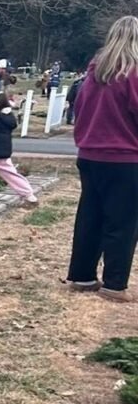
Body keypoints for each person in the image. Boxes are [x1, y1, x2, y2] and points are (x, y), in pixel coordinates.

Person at [66, 16, 138, 303]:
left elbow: (79, 109)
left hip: (90, 155)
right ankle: (114, 284)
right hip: (125, 158)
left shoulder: (94, 74)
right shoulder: (132, 74)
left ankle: (82, 276)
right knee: (122, 223)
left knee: (90, 217)